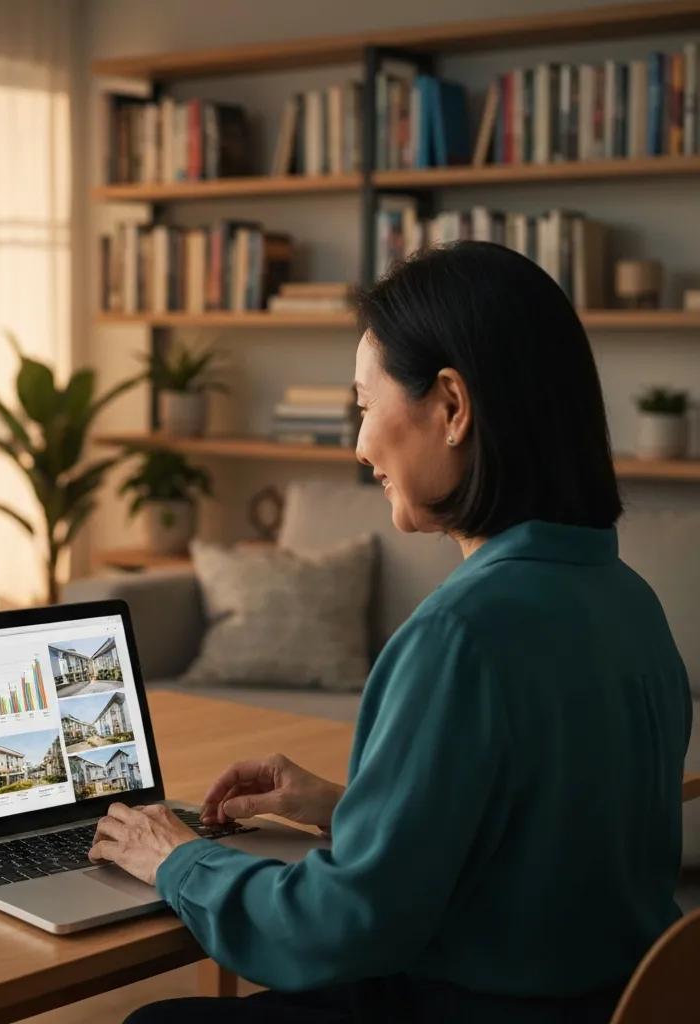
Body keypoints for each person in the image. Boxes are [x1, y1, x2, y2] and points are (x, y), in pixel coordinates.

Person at [88, 241, 692, 1023]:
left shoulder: (459, 637)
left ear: (451, 406)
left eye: (366, 406)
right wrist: (349, 807)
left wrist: (178, 860)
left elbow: (338, 929)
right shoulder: (629, 604)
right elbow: (542, 842)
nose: (361, 444)